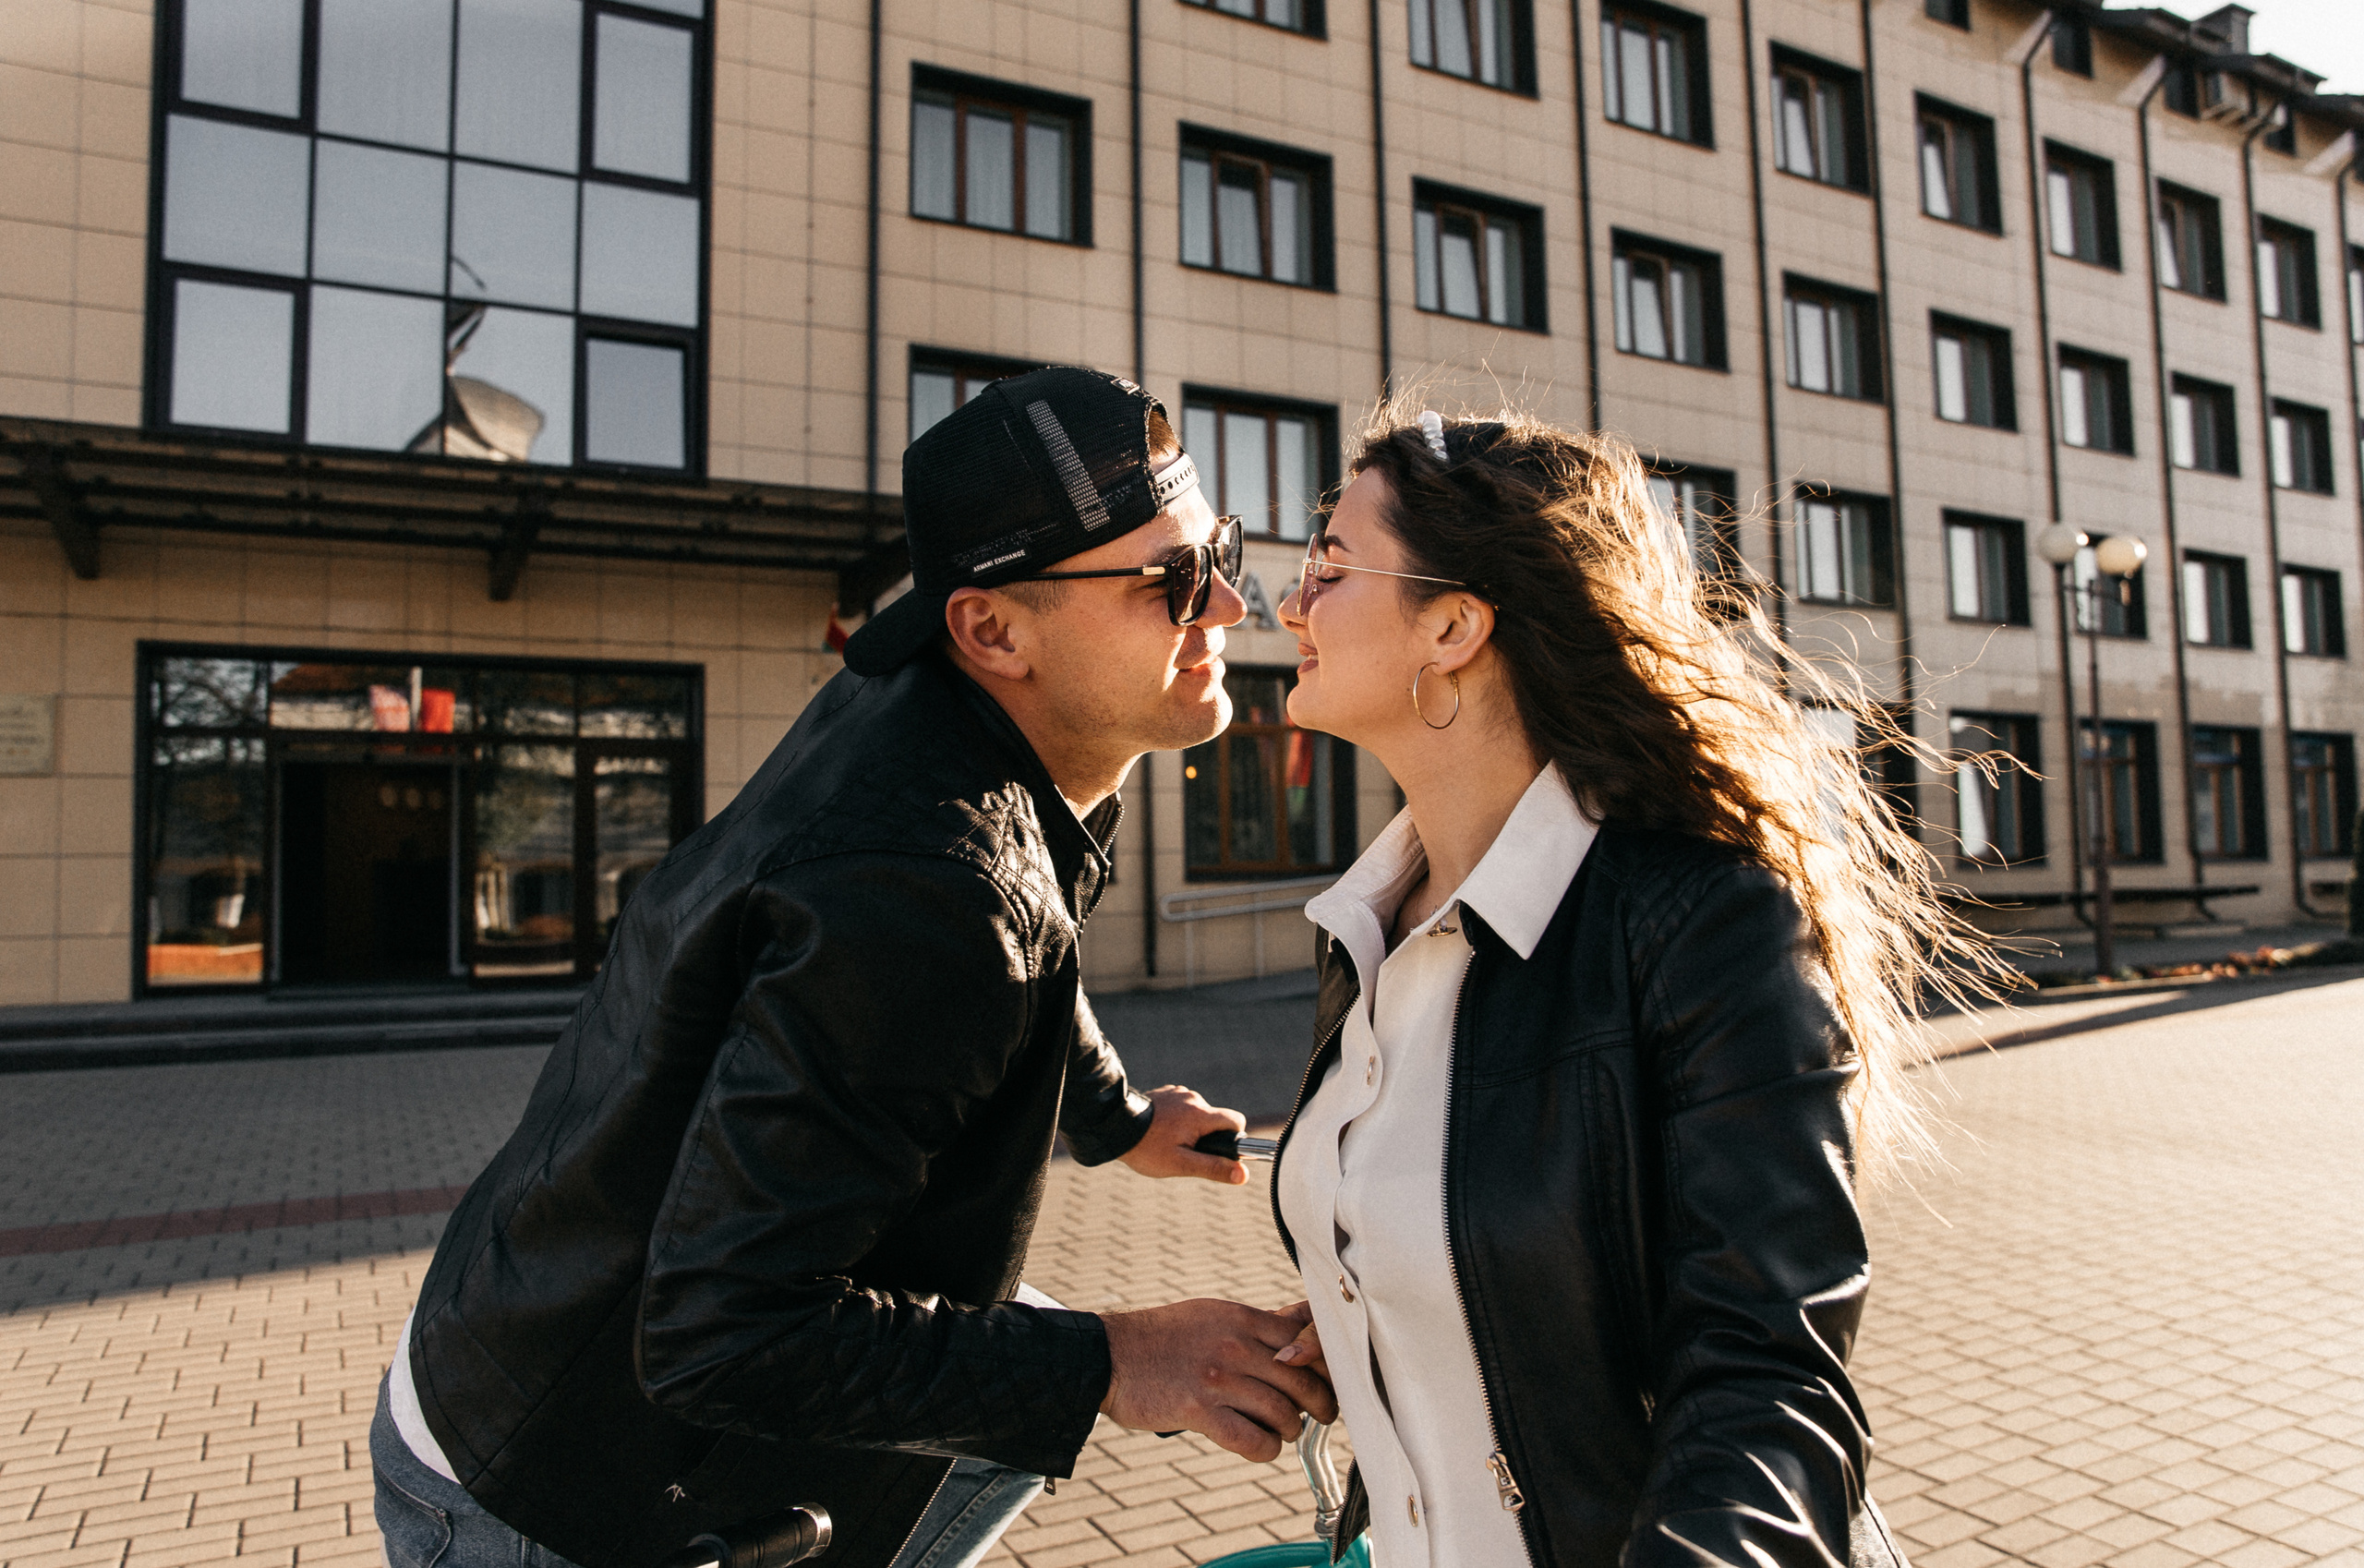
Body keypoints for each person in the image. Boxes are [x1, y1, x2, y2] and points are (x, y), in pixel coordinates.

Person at [371, 367, 1338, 1568]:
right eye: (1170, 580)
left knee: (1003, 1384)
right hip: (557, 1483)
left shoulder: (975, 723)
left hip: (527, 1313)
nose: (1229, 603)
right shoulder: (924, 879)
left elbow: (1031, 945)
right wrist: (1123, 1357)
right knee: (1035, 1373)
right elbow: (720, 1334)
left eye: (1221, 551)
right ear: (993, 628)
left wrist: (1116, 1116)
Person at [1260, 405, 1999, 1567]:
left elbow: (1767, 1381)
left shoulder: (1704, 921)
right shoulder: (1365, 923)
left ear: (1451, 624)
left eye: (1331, 564)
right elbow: (1508, 1248)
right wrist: (1386, 1309)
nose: (1289, 603)